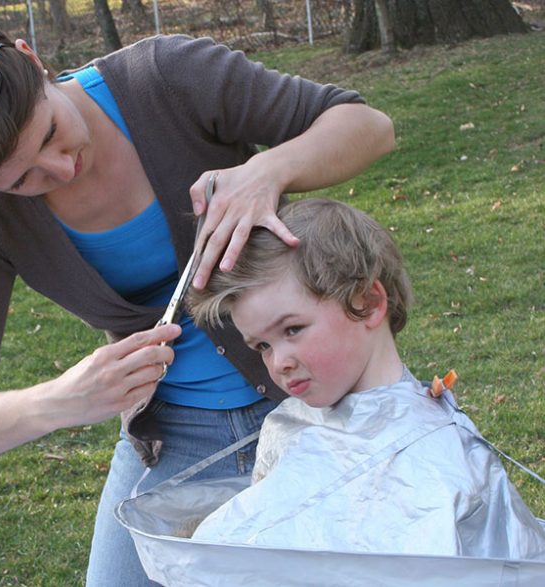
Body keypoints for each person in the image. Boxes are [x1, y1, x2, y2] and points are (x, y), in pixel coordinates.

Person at [0, 18, 396, 585]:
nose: (60, 170)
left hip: (319, 399)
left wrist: (267, 171)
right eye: (21, 179)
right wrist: (61, 401)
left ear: (32, 57)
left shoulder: (166, 79)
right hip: (176, 438)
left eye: (49, 133)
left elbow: (368, 125)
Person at [188, 198, 545, 559]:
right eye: (262, 344)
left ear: (369, 303)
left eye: (293, 329)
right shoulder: (288, 425)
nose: (278, 362)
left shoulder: (442, 454)